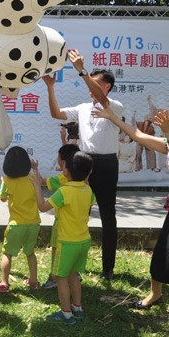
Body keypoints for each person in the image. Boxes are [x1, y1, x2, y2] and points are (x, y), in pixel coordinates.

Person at [92, 98, 169, 331]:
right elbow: (138, 136)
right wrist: (112, 117)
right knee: (160, 257)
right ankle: (154, 295)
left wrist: (167, 133)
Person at [43, 48, 123, 280]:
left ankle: (108, 267)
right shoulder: (82, 108)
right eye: (89, 82)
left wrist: (81, 71)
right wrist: (50, 87)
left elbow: (101, 99)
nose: (89, 87)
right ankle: (76, 264)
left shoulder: (114, 106)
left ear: (106, 85)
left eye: (95, 83)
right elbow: (56, 113)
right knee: (79, 214)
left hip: (107, 165)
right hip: (84, 164)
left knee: (108, 215)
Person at [31, 151, 95, 324]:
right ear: (88, 173)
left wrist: (37, 186)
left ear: (66, 171)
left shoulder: (64, 191)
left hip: (67, 242)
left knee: (61, 278)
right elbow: (90, 201)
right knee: (74, 274)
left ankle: (66, 313)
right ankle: (77, 307)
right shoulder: (87, 190)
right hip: (84, 240)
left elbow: (42, 207)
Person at [0, 146, 41, 293]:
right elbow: (39, 183)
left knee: (7, 253)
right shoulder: (33, 179)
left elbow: (2, 198)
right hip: (33, 223)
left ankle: (4, 282)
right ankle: (33, 281)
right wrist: (35, 169)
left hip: (16, 224)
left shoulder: (7, 181)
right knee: (30, 252)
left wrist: (3, 182)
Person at [41, 144, 80, 290]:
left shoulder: (62, 179)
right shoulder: (83, 184)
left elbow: (44, 184)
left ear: (64, 164)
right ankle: (73, 273)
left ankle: (54, 277)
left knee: (56, 249)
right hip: (78, 225)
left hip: (61, 224)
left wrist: (34, 175)